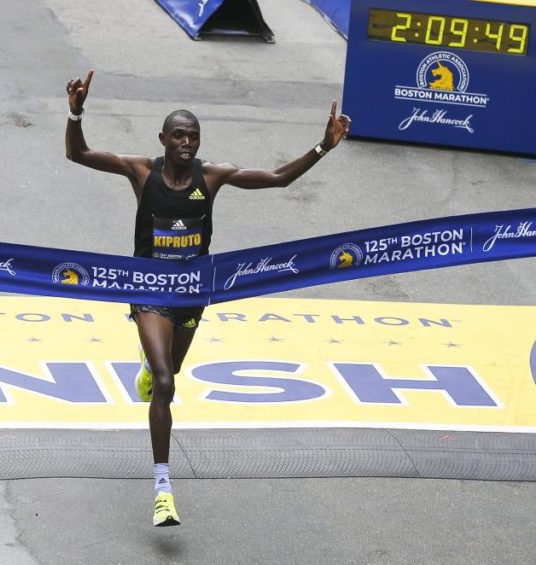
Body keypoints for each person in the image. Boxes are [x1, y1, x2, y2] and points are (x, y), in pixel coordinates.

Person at [65, 69, 351, 527]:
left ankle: (150, 362)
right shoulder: (141, 172)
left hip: (193, 293)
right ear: (162, 139)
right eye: (179, 135)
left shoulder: (212, 177)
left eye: (193, 137)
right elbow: (77, 154)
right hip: (151, 289)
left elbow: (277, 179)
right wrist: (76, 111)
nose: (187, 143)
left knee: (171, 369)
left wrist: (322, 146)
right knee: (164, 383)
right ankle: (163, 488)